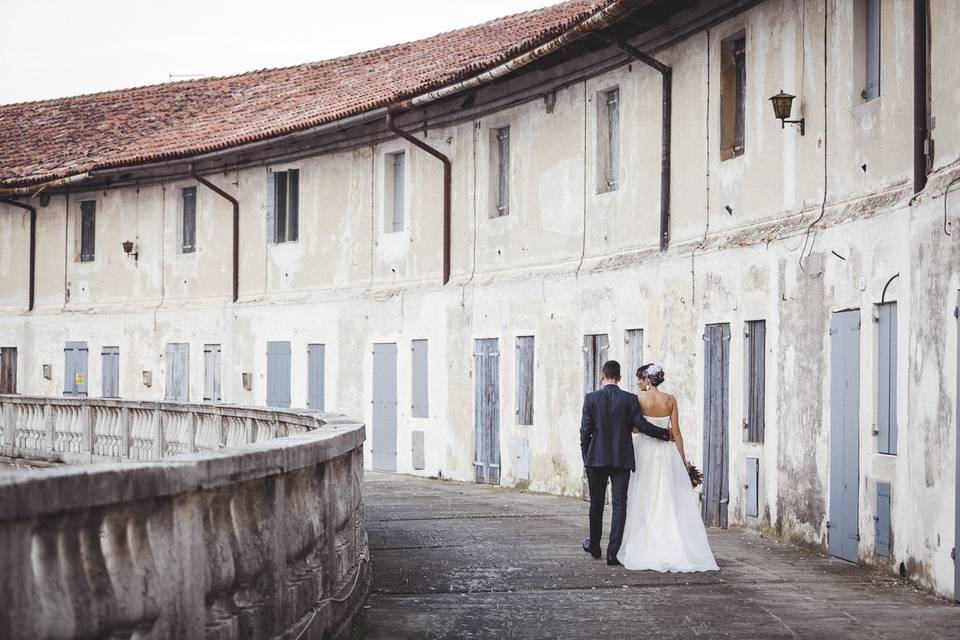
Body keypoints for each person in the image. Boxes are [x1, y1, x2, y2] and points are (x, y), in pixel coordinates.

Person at [617, 363, 718, 572]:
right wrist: (683, 459)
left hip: (645, 451)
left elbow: (636, 429)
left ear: (646, 380)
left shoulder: (638, 399)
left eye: (639, 379)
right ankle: (675, 544)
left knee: (644, 496)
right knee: (669, 497)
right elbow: (677, 432)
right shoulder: (670, 399)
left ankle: (645, 544)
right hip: (668, 451)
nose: (638, 383)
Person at [580, 360, 672, 565]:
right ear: (619, 378)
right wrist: (665, 434)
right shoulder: (630, 399)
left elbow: (585, 432)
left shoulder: (591, 399)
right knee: (620, 505)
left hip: (596, 459)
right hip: (622, 458)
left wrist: (587, 457)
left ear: (602, 375)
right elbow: (641, 425)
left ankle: (594, 546)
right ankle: (613, 553)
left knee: (596, 504)